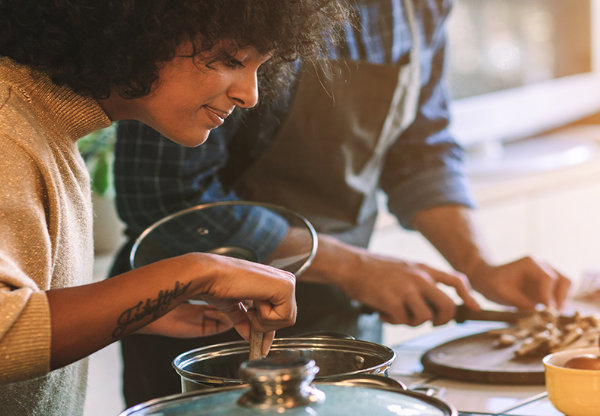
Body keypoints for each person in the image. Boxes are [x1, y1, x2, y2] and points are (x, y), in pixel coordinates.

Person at [109, 0, 573, 406]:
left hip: (342, 326)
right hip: (208, 332)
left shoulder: (420, 6)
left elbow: (420, 150)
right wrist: (354, 269)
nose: (248, 92)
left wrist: (480, 265)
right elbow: (167, 198)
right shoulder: (224, 16)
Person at [0, 1, 351, 415]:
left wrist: (138, 311)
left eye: (259, 68)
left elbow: (15, 302)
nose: (249, 95)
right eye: (232, 60)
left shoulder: (40, 129)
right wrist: (197, 272)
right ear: (131, 27)